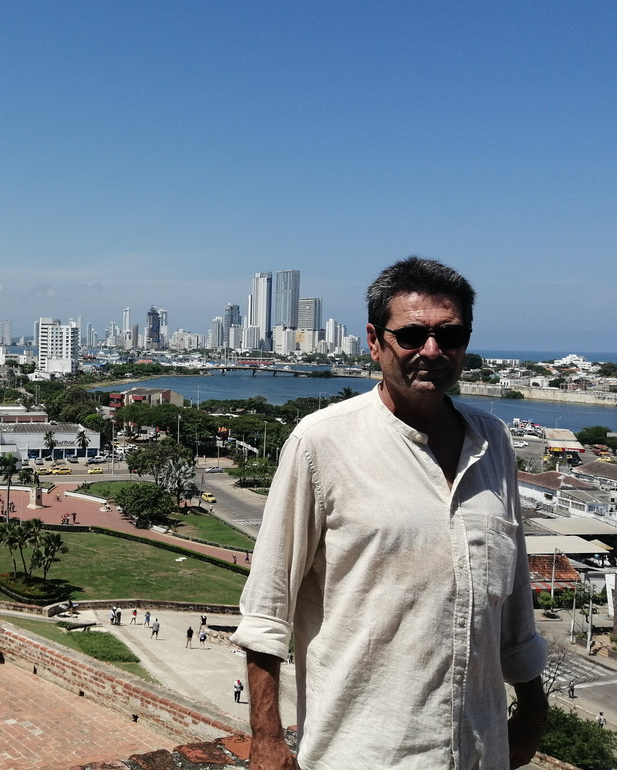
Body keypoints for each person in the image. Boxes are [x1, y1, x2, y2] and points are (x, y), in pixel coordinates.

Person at [232, 257, 548, 770]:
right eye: (411, 335)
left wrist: (532, 708)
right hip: (365, 750)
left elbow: (512, 601)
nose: (431, 351)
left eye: (449, 335)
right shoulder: (320, 443)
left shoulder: (493, 442)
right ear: (375, 341)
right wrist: (266, 739)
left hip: (481, 747)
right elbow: (268, 608)